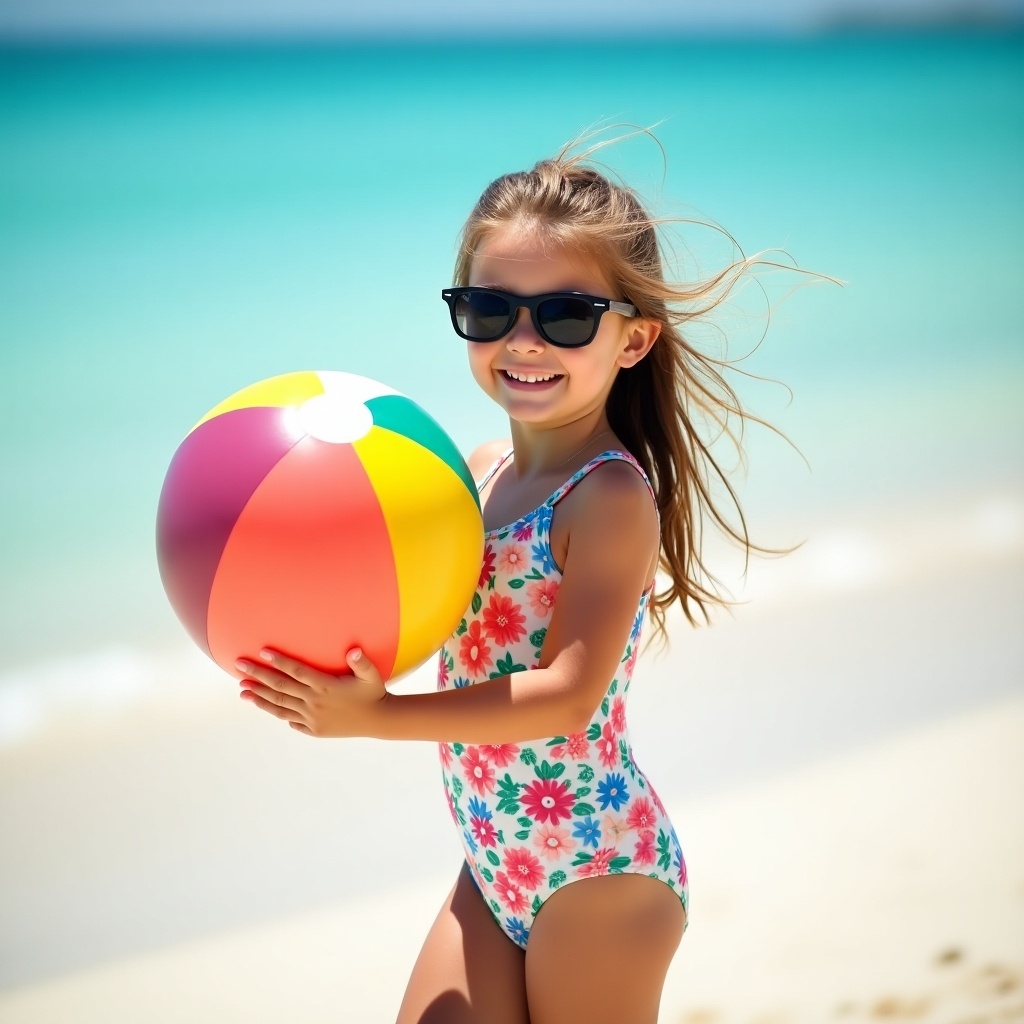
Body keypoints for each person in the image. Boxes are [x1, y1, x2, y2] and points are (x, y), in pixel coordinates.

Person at [236, 136, 778, 1024]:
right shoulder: (481, 473)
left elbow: (566, 694)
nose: (522, 341)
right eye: (490, 310)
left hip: (598, 872)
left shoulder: (606, 496)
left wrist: (377, 720)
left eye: (564, 315)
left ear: (634, 338)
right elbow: (422, 608)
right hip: (495, 859)